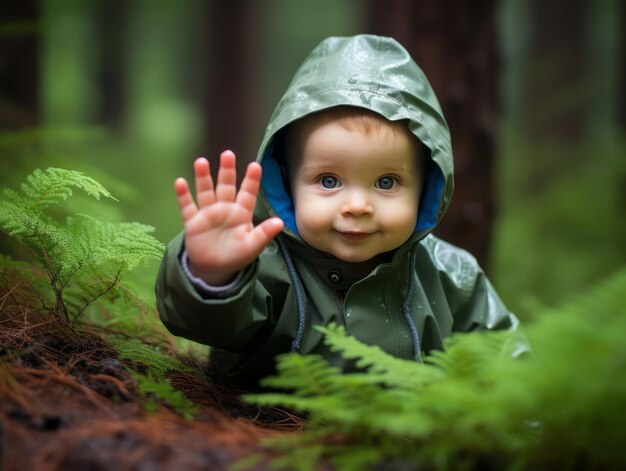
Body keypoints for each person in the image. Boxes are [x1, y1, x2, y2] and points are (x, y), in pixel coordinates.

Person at [156, 34, 519, 389]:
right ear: (286, 182)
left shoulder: (452, 278)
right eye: (329, 181)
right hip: (266, 443)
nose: (357, 206)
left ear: (425, 189)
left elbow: (509, 368)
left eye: (387, 182)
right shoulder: (264, 266)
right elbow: (202, 324)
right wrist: (212, 274)